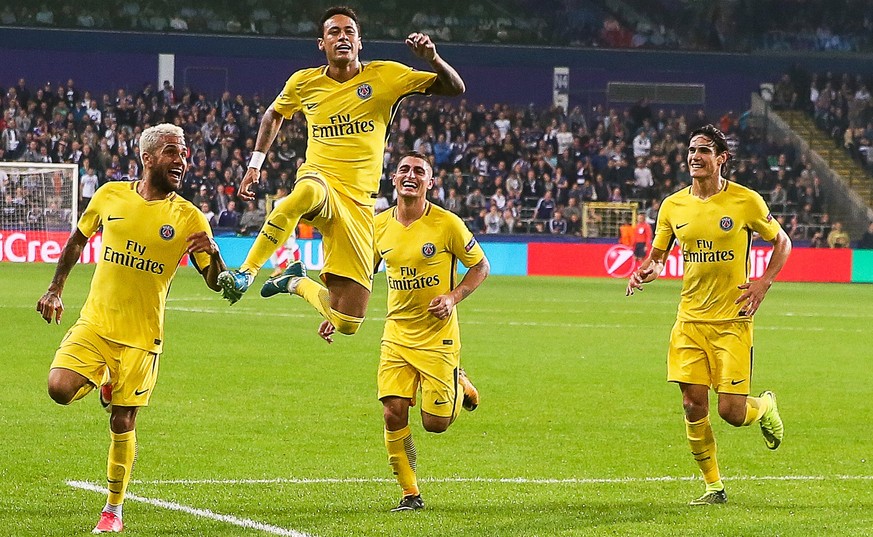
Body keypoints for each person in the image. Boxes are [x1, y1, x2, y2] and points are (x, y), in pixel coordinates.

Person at [218, 6, 465, 342]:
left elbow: (454, 87)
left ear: (360, 42)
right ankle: (247, 272)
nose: (342, 37)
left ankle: (294, 281)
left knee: (349, 320)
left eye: (349, 31)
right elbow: (274, 115)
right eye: (334, 32)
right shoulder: (304, 82)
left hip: (360, 205)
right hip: (320, 180)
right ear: (322, 43)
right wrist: (254, 166)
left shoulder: (386, 76)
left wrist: (433, 58)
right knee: (304, 193)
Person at [36, 123, 226, 533]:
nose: (183, 160)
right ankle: (101, 378)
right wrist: (55, 289)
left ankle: (113, 509)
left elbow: (216, 282)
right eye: (173, 152)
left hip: (143, 338)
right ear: (148, 158)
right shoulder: (110, 195)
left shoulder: (189, 217)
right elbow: (76, 241)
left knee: (122, 421)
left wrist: (216, 254)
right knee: (58, 388)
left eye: (186, 153)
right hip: (96, 323)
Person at [626, 125, 791, 506]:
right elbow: (658, 258)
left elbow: (782, 241)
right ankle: (713, 486)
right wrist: (645, 271)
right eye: (691, 150)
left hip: (732, 322)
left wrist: (764, 282)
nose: (694, 156)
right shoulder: (672, 206)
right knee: (691, 403)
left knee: (732, 412)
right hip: (689, 322)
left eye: (703, 150)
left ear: (721, 159)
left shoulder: (745, 201)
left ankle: (764, 405)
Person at [314, 152, 489, 511]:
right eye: (404, 170)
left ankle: (459, 383)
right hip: (396, 333)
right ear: (393, 179)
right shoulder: (377, 227)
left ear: (430, 182)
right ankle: (411, 494)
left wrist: (453, 297)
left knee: (435, 424)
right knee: (393, 411)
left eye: (419, 171)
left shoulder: (448, 224)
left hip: (437, 335)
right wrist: (337, 312)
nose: (411, 175)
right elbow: (361, 278)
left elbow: (480, 266)